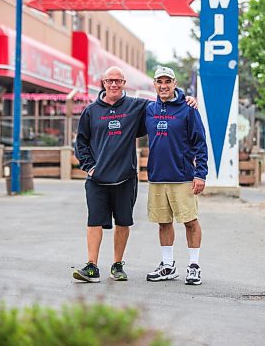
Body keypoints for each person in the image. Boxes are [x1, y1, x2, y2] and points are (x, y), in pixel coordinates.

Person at [73, 65, 197, 283]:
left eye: (118, 81)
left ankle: (117, 265)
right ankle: (91, 266)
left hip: (125, 177)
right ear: (103, 83)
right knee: (94, 221)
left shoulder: (137, 107)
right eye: (109, 81)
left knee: (123, 222)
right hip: (97, 179)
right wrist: (89, 167)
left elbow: (165, 102)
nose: (113, 84)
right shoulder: (91, 111)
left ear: (123, 84)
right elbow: (81, 142)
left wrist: (187, 99)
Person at [145, 67, 208, 286]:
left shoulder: (188, 109)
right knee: (163, 222)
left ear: (174, 83)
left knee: (190, 221)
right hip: (157, 177)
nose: (163, 85)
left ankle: (194, 266)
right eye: (159, 81)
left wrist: (200, 174)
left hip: (183, 177)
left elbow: (200, 142)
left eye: (167, 81)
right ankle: (168, 265)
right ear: (154, 84)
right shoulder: (149, 109)